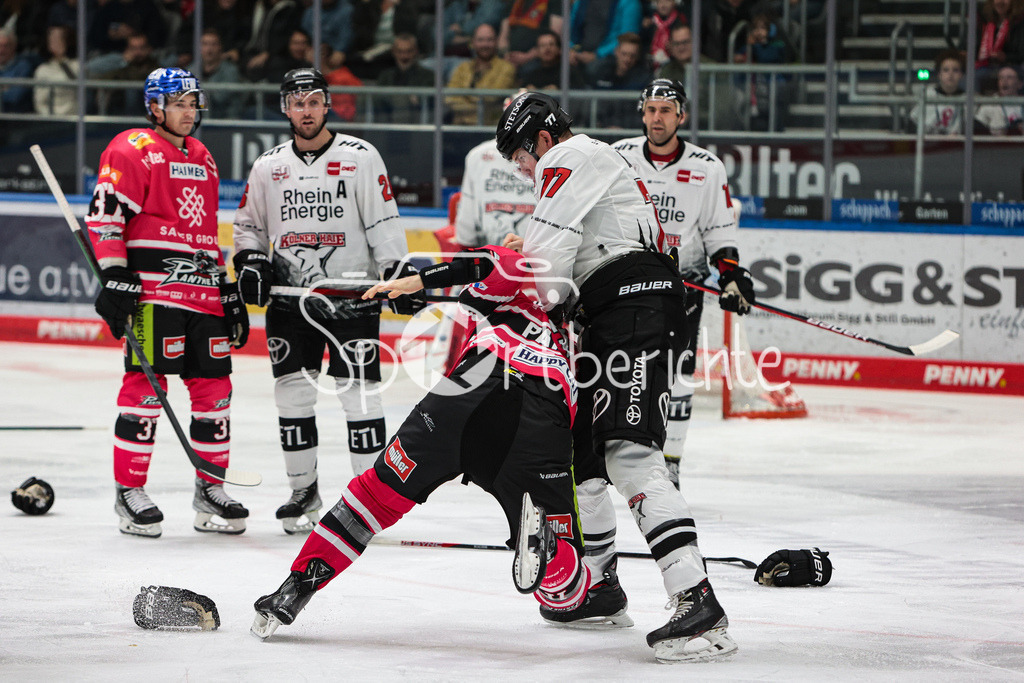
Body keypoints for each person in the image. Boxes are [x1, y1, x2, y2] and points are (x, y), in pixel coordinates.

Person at [495, 91, 741, 663]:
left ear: (541, 137)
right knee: (584, 458)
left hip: (633, 309)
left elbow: (549, 276)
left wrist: (510, 272)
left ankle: (696, 599)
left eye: (519, 156)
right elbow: (560, 258)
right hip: (613, 313)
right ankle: (600, 588)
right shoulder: (593, 161)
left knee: (629, 454)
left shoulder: (567, 155)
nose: (523, 170)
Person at [250, 245, 591, 640]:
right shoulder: (585, 335)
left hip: (464, 393)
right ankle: (550, 553)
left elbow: (494, 263)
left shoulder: (515, 281)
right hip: (541, 410)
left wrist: (419, 280)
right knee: (568, 594)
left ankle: (295, 589)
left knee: (372, 499)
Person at [233, 68, 423, 534]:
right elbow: (248, 226)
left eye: (314, 101)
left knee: (359, 396)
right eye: (297, 102)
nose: (306, 110)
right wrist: (252, 261)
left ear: (327, 104)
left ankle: (369, 499)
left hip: (351, 295)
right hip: (289, 300)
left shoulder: (360, 157)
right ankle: (303, 492)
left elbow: (383, 222)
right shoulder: (268, 165)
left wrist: (396, 273)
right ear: (285, 108)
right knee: (292, 397)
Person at [85, 67, 250, 538]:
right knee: (146, 388)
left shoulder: (203, 157)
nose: (188, 112)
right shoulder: (130, 148)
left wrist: (226, 288)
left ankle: (210, 488)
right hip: (153, 292)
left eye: (192, 103)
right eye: (178, 103)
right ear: (154, 106)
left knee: (215, 392)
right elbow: (105, 216)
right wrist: (115, 273)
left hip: (202, 291)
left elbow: (205, 232)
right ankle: (129, 491)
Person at [610, 76, 752, 578]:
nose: (657, 118)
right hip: (627, 280)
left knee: (678, 379)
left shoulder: (706, 168)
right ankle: (612, 458)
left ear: (682, 116)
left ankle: (668, 464)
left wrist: (731, 275)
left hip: (683, 288)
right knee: (615, 371)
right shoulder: (619, 156)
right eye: (650, 109)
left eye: (666, 110)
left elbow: (719, 229)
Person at [446, 23, 516, 125]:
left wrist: (465, 99)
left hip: (489, 129)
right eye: (480, 40)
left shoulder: (507, 68)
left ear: (496, 42)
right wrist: (477, 104)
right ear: (472, 43)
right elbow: (449, 98)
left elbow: (490, 98)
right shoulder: (462, 67)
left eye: (489, 40)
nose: (485, 45)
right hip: (459, 128)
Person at [588, 32, 651, 127]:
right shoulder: (601, 74)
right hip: (601, 131)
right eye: (624, 54)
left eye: (632, 56)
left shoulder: (644, 80)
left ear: (637, 57)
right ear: (616, 51)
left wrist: (622, 127)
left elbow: (642, 114)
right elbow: (592, 108)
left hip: (629, 133)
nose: (627, 59)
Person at [375, 33, 434, 123]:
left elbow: (427, 100)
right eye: (400, 51)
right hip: (385, 118)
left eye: (408, 51)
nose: (404, 56)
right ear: (393, 52)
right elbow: (377, 97)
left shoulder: (428, 75)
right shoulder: (385, 75)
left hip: (416, 120)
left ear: (416, 51)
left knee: (401, 100)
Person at [188, 29, 244, 119]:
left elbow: (220, 97)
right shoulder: (191, 70)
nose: (209, 49)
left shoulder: (231, 71)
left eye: (213, 44)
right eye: (205, 44)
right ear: (199, 48)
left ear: (220, 47)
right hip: (199, 123)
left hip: (226, 122)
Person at [909, 49, 967, 135]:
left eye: (955, 70)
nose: (950, 74)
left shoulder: (967, 98)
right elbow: (913, 121)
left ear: (962, 75)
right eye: (946, 70)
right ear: (939, 74)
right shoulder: (928, 95)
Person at [516, 30, 585, 91]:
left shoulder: (569, 72)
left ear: (559, 49)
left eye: (551, 44)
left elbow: (580, 97)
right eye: (543, 45)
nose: (547, 49)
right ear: (537, 51)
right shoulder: (531, 74)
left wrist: (558, 92)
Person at [33, 25, 79, 116]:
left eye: (58, 38)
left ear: (67, 41)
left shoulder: (77, 65)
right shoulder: (42, 69)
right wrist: (48, 115)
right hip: (47, 118)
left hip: (72, 116)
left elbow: (76, 89)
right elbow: (39, 101)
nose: (53, 42)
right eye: (51, 38)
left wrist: (61, 59)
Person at [975, 63, 1024, 134]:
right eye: (1001, 77)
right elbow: (977, 129)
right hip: (996, 143)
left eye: (1009, 77)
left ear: (1020, 84)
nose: (1004, 81)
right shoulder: (989, 103)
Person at [0, 28, 34, 113]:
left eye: (6, 46)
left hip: (16, 120)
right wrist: (4, 89)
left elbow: (14, 97)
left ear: (14, 47)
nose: (1, 51)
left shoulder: (23, 67)